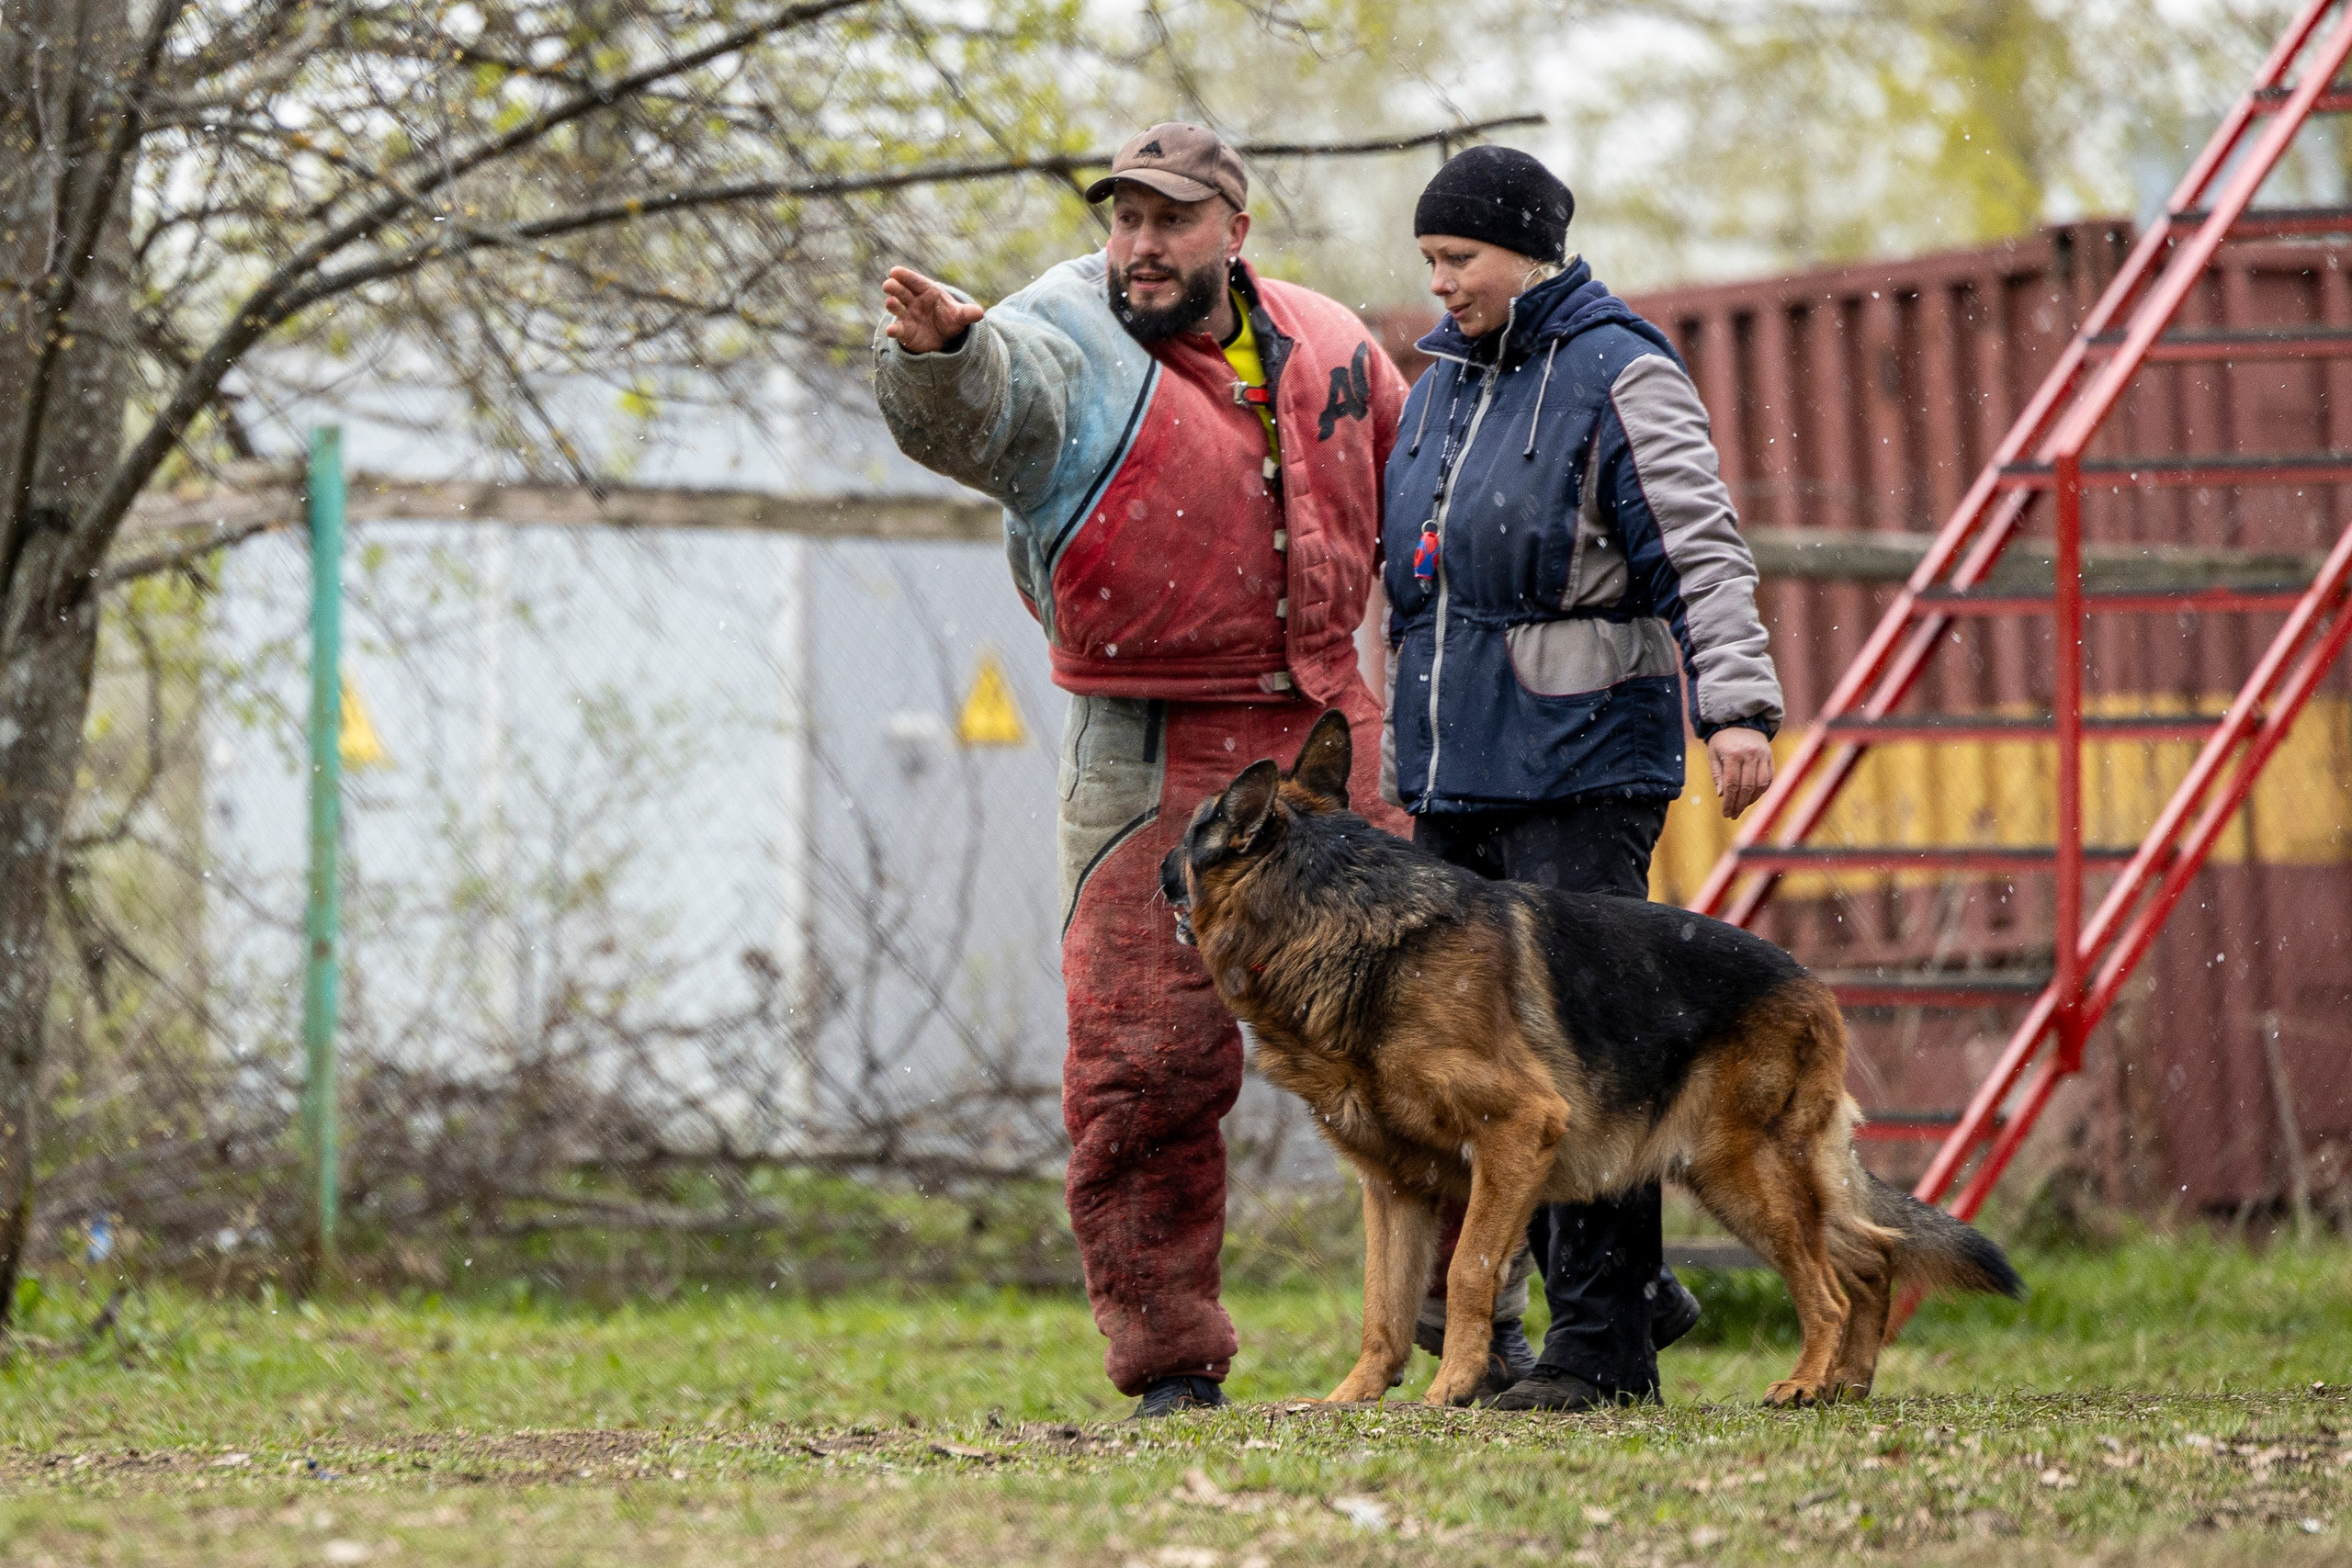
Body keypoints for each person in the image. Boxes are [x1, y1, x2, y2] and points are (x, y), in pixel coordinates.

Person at [872, 123, 1418, 1416]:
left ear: (1237, 228)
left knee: (1416, 1038)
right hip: (1147, 745)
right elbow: (990, 410)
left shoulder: (1337, 344)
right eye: (1124, 219)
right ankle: (1170, 1359)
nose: (1140, 246)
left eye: (1170, 221)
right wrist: (944, 354)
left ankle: (1470, 1330)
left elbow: (1423, 500)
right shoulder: (1065, 338)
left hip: (1331, 729)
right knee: (1146, 1064)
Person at [1383, 145, 1785, 1413]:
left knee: (1577, 1063)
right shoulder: (1442, 385)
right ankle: (1612, 1303)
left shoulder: (1622, 371)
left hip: (1578, 768)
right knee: (1477, 1071)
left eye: (1462, 260)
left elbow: (1699, 550)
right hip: (1454, 774)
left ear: (1530, 251)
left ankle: (1604, 1352)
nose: (1441, 285)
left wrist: (1738, 706)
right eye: (1431, 263)